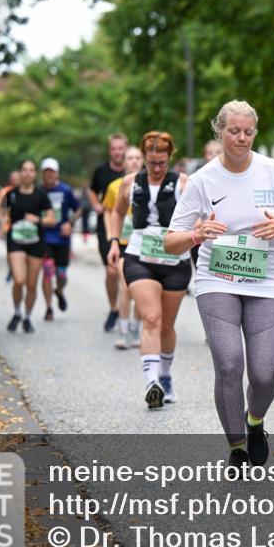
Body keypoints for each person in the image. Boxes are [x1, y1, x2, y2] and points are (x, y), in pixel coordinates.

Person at [166, 100, 274, 471]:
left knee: (265, 373)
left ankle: (255, 422)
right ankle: (236, 448)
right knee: (230, 364)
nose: (242, 138)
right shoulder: (203, 179)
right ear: (220, 132)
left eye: (248, 131)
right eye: (234, 131)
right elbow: (172, 241)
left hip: (266, 280)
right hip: (217, 278)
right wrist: (197, 234)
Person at [107, 132, 191, 410]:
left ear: (170, 158)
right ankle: (151, 382)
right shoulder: (130, 183)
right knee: (151, 317)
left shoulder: (182, 183)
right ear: (144, 158)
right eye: (151, 162)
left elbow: (198, 216)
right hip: (139, 257)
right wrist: (114, 242)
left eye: (162, 163)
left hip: (175, 261)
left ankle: (166, 377)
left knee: (166, 325)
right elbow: (117, 212)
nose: (156, 168)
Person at [3, 159, 56, 333]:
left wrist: (38, 219)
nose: (27, 173)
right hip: (16, 241)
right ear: (20, 173)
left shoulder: (41, 194)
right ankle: (17, 311)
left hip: (35, 242)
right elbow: (0, 212)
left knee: (32, 285)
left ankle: (26, 316)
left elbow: (52, 219)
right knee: (19, 280)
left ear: (35, 174)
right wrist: (3, 221)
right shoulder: (11, 194)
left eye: (31, 170)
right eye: (24, 170)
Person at [102, 146, 145, 349]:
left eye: (138, 158)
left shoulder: (150, 184)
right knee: (126, 286)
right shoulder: (115, 186)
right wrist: (112, 238)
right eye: (131, 158)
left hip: (145, 244)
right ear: (124, 162)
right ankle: (123, 329)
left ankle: (136, 328)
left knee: (140, 289)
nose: (134, 161)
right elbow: (109, 212)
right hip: (123, 243)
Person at [90, 134, 129, 331]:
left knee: (128, 274)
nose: (117, 152)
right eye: (114, 148)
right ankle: (114, 308)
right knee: (111, 271)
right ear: (110, 150)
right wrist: (96, 204)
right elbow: (91, 190)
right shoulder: (102, 171)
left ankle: (126, 312)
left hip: (132, 230)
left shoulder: (134, 172)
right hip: (107, 228)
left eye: (121, 148)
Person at [39, 158, 82, 321]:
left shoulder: (65, 190)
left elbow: (78, 209)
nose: (49, 174)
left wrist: (70, 223)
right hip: (44, 237)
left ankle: (59, 290)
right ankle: (49, 308)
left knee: (61, 274)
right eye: (46, 171)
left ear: (56, 173)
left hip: (62, 238)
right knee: (48, 270)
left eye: (52, 171)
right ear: (42, 173)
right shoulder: (38, 191)